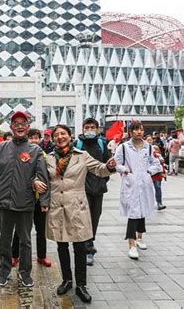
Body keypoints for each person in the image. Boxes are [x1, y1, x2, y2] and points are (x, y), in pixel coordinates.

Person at [34, 124, 116, 303]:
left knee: (80, 247)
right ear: (53, 139)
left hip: (77, 205)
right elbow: (40, 176)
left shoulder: (82, 156)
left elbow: (100, 169)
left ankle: (81, 285)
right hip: (57, 206)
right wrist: (35, 182)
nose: (60, 137)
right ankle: (67, 280)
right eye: (57, 135)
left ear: (70, 137)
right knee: (62, 246)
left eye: (63, 134)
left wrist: (109, 166)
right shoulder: (47, 159)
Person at [0, 111, 50, 288]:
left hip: (26, 202)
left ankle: (25, 273)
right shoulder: (1, 148)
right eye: (16, 123)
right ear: (11, 127)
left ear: (28, 127)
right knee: (4, 240)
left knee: (25, 240)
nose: (20, 126)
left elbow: (42, 176)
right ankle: (4, 271)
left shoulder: (35, 150)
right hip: (4, 202)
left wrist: (44, 201)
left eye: (23, 123)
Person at [114, 120, 162, 260]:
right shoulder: (123, 147)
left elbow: (157, 164)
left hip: (144, 183)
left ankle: (140, 237)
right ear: (130, 132)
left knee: (142, 211)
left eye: (140, 129)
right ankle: (131, 245)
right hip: (131, 182)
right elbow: (116, 163)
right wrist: (125, 170)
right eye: (135, 130)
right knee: (133, 213)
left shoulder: (148, 147)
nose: (138, 132)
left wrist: (149, 171)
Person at [11, 128, 51, 268]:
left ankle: (42, 256)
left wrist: (45, 199)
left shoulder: (44, 155)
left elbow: (47, 177)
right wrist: (33, 180)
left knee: (41, 230)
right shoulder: (22, 153)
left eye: (36, 138)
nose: (34, 140)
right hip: (25, 197)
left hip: (39, 199)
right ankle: (14, 255)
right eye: (31, 137)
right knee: (20, 229)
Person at [74, 117, 111, 266]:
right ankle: (88, 249)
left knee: (95, 219)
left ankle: (89, 243)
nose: (89, 130)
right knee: (84, 219)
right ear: (83, 128)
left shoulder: (102, 144)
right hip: (82, 189)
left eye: (92, 127)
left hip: (99, 189)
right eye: (87, 127)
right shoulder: (77, 144)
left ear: (97, 129)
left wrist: (103, 181)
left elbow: (107, 165)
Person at [152, 145, 167, 210]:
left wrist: (164, 173)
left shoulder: (160, 157)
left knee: (158, 188)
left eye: (157, 149)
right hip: (150, 174)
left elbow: (162, 166)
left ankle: (159, 203)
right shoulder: (148, 155)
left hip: (158, 174)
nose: (155, 150)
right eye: (154, 149)